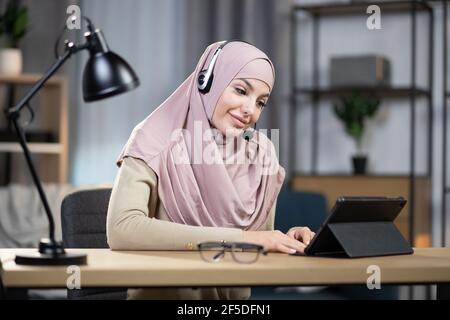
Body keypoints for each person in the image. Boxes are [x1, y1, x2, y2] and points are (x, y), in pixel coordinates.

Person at [106, 40, 315, 300]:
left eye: (261, 102)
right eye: (240, 90)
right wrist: (246, 239)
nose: (250, 110)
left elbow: (257, 242)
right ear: (207, 82)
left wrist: (286, 240)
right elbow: (122, 229)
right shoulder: (153, 138)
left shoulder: (261, 152)